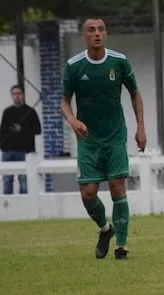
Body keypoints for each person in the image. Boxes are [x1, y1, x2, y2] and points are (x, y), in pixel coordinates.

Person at [61, 18, 146, 260]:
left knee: (118, 187)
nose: (97, 34)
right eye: (91, 30)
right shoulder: (74, 66)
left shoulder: (119, 61)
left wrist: (141, 127)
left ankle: (121, 245)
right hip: (88, 138)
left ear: (105, 34)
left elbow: (135, 93)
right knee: (88, 192)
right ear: (84, 35)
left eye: (101, 30)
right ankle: (105, 229)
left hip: (115, 135)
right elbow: (64, 102)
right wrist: (72, 120)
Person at [0, 85, 42, 194]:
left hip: (25, 151)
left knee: (24, 181)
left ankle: (25, 207)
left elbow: (37, 130)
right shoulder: (7, 112)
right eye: (14, 94)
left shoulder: (30, 111)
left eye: (19, 93)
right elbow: (2, 130)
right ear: (11, 96)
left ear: (23, 95)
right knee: (7, 180)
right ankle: (9, 208)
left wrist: (22, 130)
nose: (17, 96)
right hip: (8, 152)